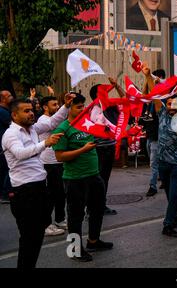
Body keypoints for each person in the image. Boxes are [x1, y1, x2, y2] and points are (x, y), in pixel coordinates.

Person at [2, 95, 74, 268]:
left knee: (36, 236)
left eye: (32, 110)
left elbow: (51, 123)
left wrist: (65, 106)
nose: (31, 114)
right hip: (25, 192)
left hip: (40, 188)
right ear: (14, 115)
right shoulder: (11, 134)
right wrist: (45, 143)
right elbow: (20, 153)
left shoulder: (32, 129)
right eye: (26, 111)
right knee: (29, 238)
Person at [53, 94, 113, 262]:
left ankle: (93, 241)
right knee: (75, 215)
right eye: (78, 107)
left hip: (94, 175)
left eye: (83, 106)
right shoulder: (63, 129)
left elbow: (108, 130)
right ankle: (75, 250)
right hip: (75, 179)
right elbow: (60, 156)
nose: (83, 109)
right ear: (69, 109)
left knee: (97, 210)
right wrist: (82, 150)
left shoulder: (88, 124)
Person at [143, 63, 177, 238]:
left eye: (173, 103)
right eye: (168, 102)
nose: (170, 105)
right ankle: (176, 216)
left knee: (173, 196)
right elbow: (154, 95)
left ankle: (168, 224)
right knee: (169, 194)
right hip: (163, 164)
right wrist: (148, 76)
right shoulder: (162, 114)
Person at [89, 77, 125, 216]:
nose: (108, 95)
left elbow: (126, 100)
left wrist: (116, 85)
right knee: (96, 180)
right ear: (97, 96)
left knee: (104, 179)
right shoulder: (90, 110)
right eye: (104, 92)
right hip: (97, 149)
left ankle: (101, 206)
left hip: (109, 147)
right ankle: (92, 208)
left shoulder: (111, 107)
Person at [38, 96, 67, 236]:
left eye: (58, 104)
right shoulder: (43, 120)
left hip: (58, 161)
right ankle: (46, 225)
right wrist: (65, 107)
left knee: (60, 193)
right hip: (48, 162)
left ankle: (60, 219)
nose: (57, 107)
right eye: (54, 105)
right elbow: (54, 124)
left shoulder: (55, 117)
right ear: (45, 107)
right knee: (51, 194)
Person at [0, 90, 14, 204]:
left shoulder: (5, 110)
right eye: (9, 96)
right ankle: (5, 194)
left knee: (5, 169)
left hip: (4, 145)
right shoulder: (2, 112)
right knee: (10, 168)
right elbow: (13, 124)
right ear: (3, 99)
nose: (12, 97)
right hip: (5, 146)